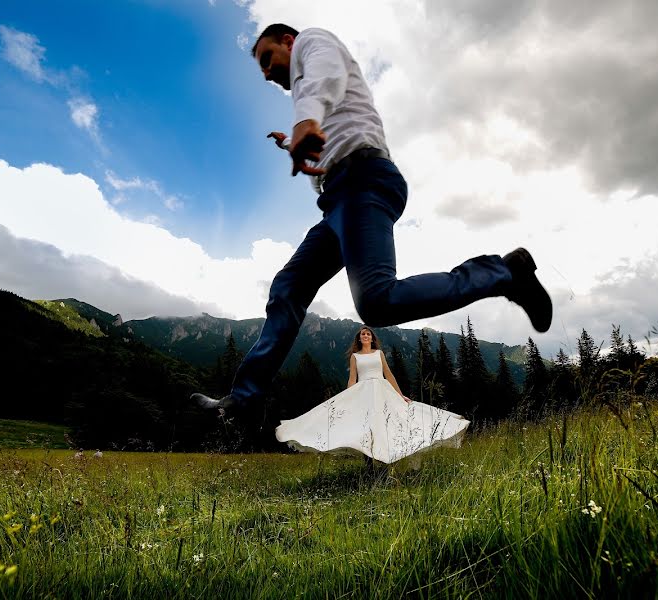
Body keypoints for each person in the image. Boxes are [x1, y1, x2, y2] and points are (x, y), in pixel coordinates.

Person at [191, 24, 551, 417]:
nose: (265, 73)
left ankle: (504, 273)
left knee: (377, 301)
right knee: (287, 289)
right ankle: (241, 401)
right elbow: (328, 138)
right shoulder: (320, 102)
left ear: (288, 43)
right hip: (339, 200)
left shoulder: (313, 44)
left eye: (267, 59)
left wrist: (304, 122)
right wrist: (293, 142)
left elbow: (323, 75)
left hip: (364, 181)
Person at [275, 327, 469, 463]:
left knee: (389, 420)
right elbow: (352, 378)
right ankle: (369, 464)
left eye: (368, 334)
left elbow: (389, 374)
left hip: (381, 389)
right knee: (366, 424)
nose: (365, 336)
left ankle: (384, 461)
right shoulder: (355, 357)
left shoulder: (379, 353)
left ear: (372, 337)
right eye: (362, 334)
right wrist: (349, 397)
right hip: (363, 391)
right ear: (359, 339)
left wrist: (400, 395)